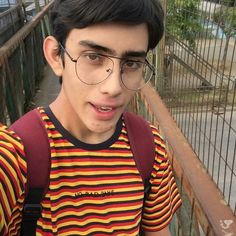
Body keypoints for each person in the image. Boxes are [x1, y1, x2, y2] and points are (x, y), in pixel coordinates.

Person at [0, 0, 182, 235]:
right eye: (93, 56)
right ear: (56, 56)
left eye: (131, 63)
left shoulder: (149, 145)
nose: (113, 87)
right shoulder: (15, 156)